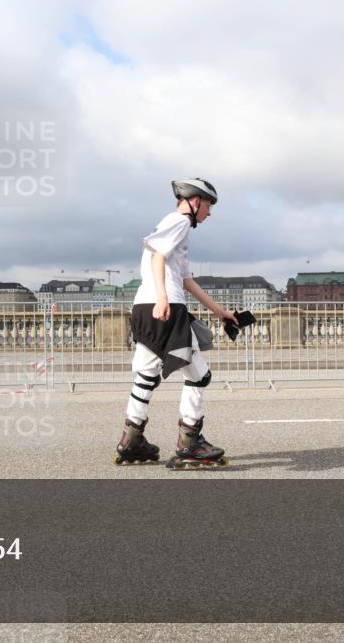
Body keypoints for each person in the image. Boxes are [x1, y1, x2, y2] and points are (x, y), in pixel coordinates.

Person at [114, 178, 237, 470]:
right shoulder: (180, 222)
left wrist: (221, 312)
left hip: (144, 308)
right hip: (165, 308)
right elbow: (159, 258)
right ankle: (190, 443)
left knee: (146, 374)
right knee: (198, 374)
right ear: (195, 201)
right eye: (208, 204)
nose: (210, 212)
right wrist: (163, 298)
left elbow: (185, 279)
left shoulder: (169, 226)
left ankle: (131, 439)